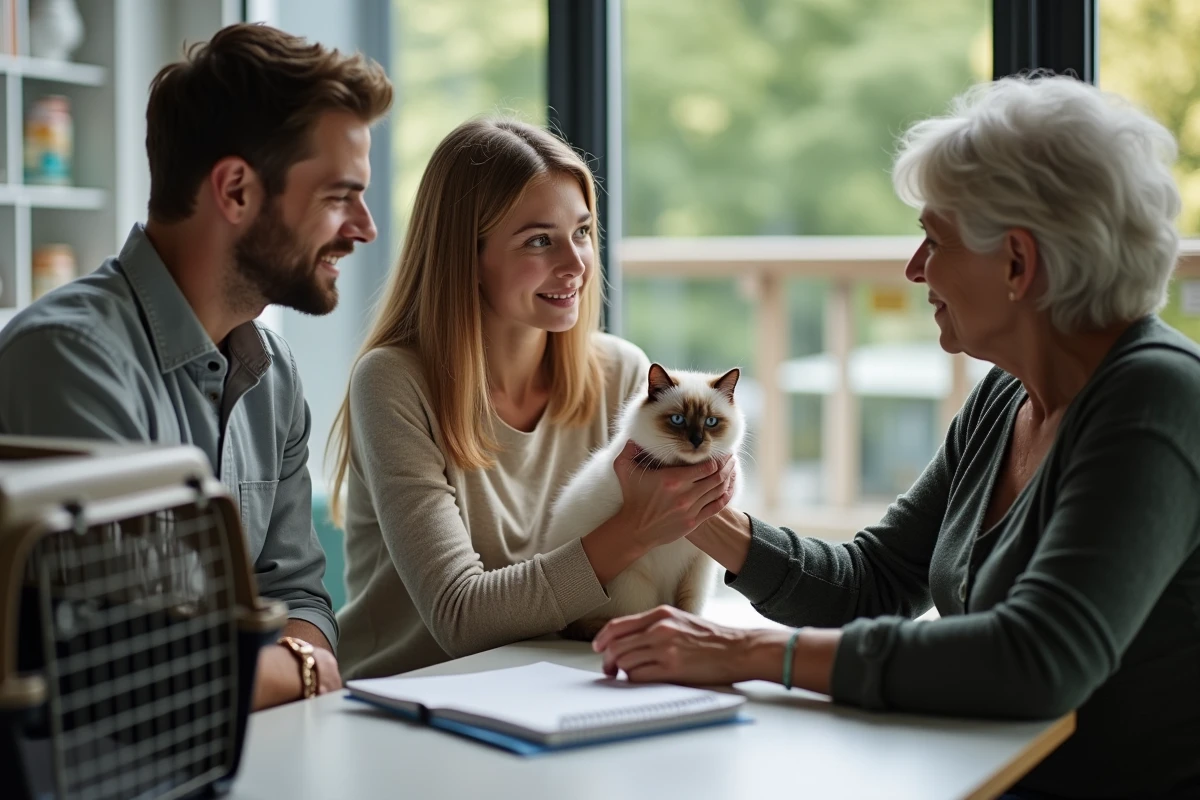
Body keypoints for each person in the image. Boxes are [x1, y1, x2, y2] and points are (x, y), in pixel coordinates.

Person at [593, 74, 1200, 799]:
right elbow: (874, 585)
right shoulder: (1007, 397)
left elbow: (1038, 658)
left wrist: (746, 649)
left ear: (1016, 262)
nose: (915, 270)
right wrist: (698, 513)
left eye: (932, 240)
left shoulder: (1157, 399)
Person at [0, 23, 393, 710]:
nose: (365, 227)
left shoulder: (273, 372)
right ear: (236, 190)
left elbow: (300, 600)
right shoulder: (68, 360)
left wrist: (269, 664)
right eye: (338, 196)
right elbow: (126, 665)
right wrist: (293, 671)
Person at [328, 118, 736, 680]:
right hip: (407, 697)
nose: (575, 265)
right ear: (465, 256)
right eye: (538, 240)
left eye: (583, 232)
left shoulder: (622, 374)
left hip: (554, 685)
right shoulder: (394, 382)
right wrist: (637, 527)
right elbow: (460, 617)